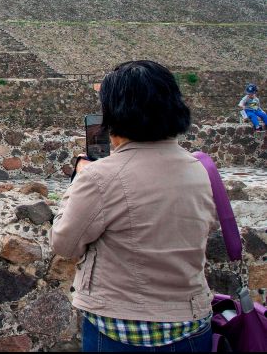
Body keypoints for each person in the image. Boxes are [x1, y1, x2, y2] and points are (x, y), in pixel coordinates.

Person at [51, 60, 216, 352]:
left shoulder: (101, 176)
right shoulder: (199, 169)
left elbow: (65, 244)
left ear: (114, 113)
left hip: (120, 328)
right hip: (191, 322)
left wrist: (81, 178)